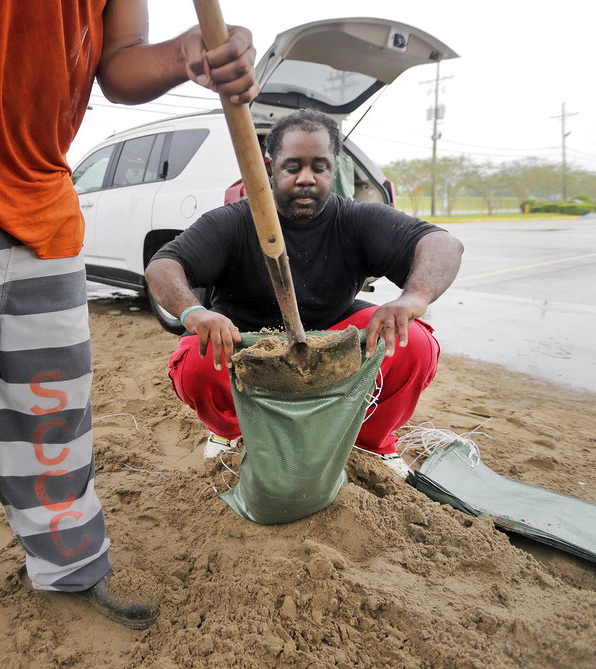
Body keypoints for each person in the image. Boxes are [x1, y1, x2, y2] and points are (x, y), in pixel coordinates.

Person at [0, 1, 258, 663]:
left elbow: (117, 65)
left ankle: (70, 563)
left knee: (53, 402)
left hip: (42, 189)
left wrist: (187, 54)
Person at [145, 108, 464, 476]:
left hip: (333, 339)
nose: (306, 179)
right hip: (244, 343)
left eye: (319, 167)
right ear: (270, 167)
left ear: (334, 169)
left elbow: (443, 244)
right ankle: (229, 432)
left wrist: (413, 298)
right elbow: (164, 265)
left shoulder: (355, 219)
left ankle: (371, 443)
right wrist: (194, 313)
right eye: (293, 167)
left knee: (414, 345)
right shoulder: (232, 221)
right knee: (197, 363)